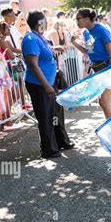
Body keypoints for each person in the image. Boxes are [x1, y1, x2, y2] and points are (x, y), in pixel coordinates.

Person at [21, 10, 73, 159]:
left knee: (56, 113)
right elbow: (33, 65)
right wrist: (46, 86)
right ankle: (49, 149)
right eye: (44, 21)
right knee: (46, 117)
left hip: (50, 81)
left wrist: (54, 49)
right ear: (39, 23)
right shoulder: (30, 39)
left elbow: (45, 51)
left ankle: (61, 141)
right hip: (39, 84)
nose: (47, 23)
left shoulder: (39, 37)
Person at [71, 8, 111, 118]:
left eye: (78, 18)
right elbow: (88, 52)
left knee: (105, 102)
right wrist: (74, 43)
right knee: (101, 102)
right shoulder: (86, 32)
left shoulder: (101, 30)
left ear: (87, 19)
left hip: (106, 68)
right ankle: (109, 126)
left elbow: (110, 51)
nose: (77, 21)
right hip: (96, 70)